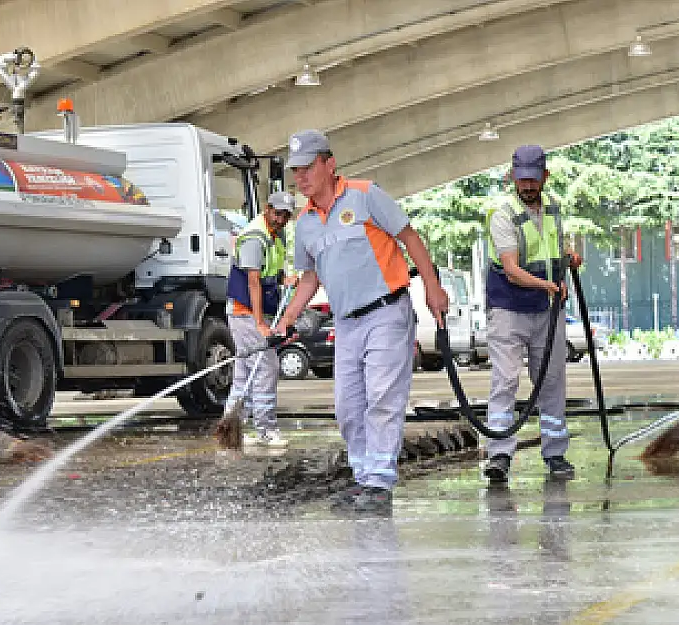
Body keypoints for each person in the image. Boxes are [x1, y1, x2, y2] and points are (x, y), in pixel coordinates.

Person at [272, 129, 448, 514]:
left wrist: (433, 287)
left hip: (387, 311)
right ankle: (363, 478)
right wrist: (285, 319)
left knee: (382, 398)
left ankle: (380, 484)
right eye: (295, 171)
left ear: (329, 163)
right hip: (347, 322)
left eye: (306, 168)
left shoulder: (365, 195)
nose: (300, 178)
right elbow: (309, 278)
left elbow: (410, 238)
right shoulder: (304, 225)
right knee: (348, 407)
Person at [481, 145, 581, 484]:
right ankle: (499, 454)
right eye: (521, 180)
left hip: (546, 310)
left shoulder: (553, 209)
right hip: (509, 309)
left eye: (533, 180)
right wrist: (549, 287)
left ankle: (555, 452)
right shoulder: (503, 214)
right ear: (512, 177)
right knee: (506, 380)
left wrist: (569, 259)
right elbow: (511, 268)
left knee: (551, 382)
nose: (527, 186)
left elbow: (553, 248)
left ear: (544, 177)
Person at [222, 191, 295, 448]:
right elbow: (253, 281)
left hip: (252, 312)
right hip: (245, 313)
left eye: (286, 215)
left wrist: (284, 280)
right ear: (267, 209)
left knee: (246, 373)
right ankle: (265, 429)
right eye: (277, 213)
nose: (281, 219)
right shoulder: (255, 236)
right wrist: (260, 322)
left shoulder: (277, 233)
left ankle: (232, 428)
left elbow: (271, 271)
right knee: (266, 366)